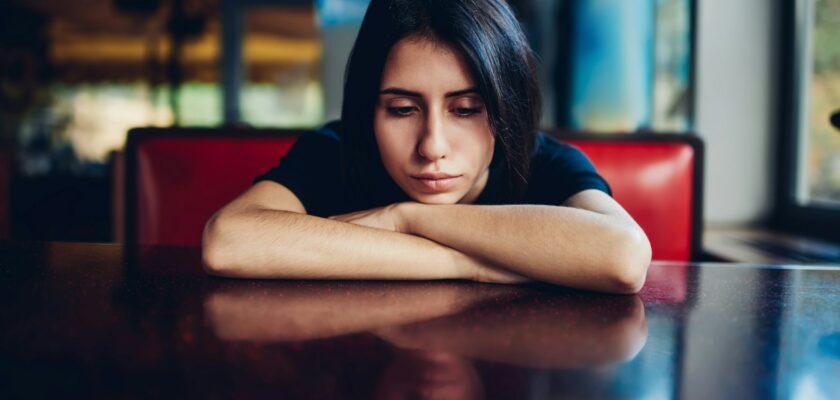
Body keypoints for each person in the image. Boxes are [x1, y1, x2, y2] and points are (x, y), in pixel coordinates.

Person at [201, 0, 652, 293]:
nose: (432, 146)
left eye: (466, 110)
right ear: (367, 110)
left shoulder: (543, 162)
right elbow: (228, 241)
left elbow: (624, 256)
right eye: (401, 109)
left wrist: (407, 217)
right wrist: (464, 265)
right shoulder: (336, 150)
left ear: (505, 111)